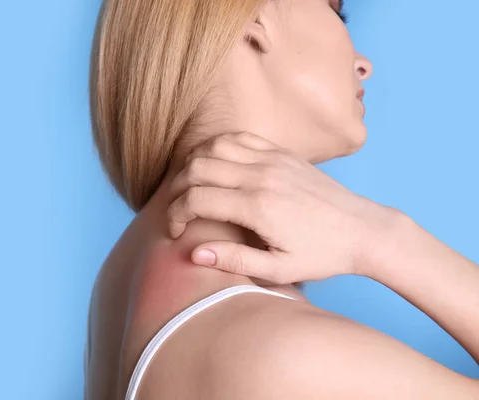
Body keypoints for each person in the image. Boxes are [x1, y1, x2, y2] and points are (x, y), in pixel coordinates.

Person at [85, 0, 479, 398]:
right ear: (256, 18)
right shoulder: (285, 355)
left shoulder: (116, 289)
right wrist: (381, 238)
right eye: (335, 10)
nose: (364, 64)